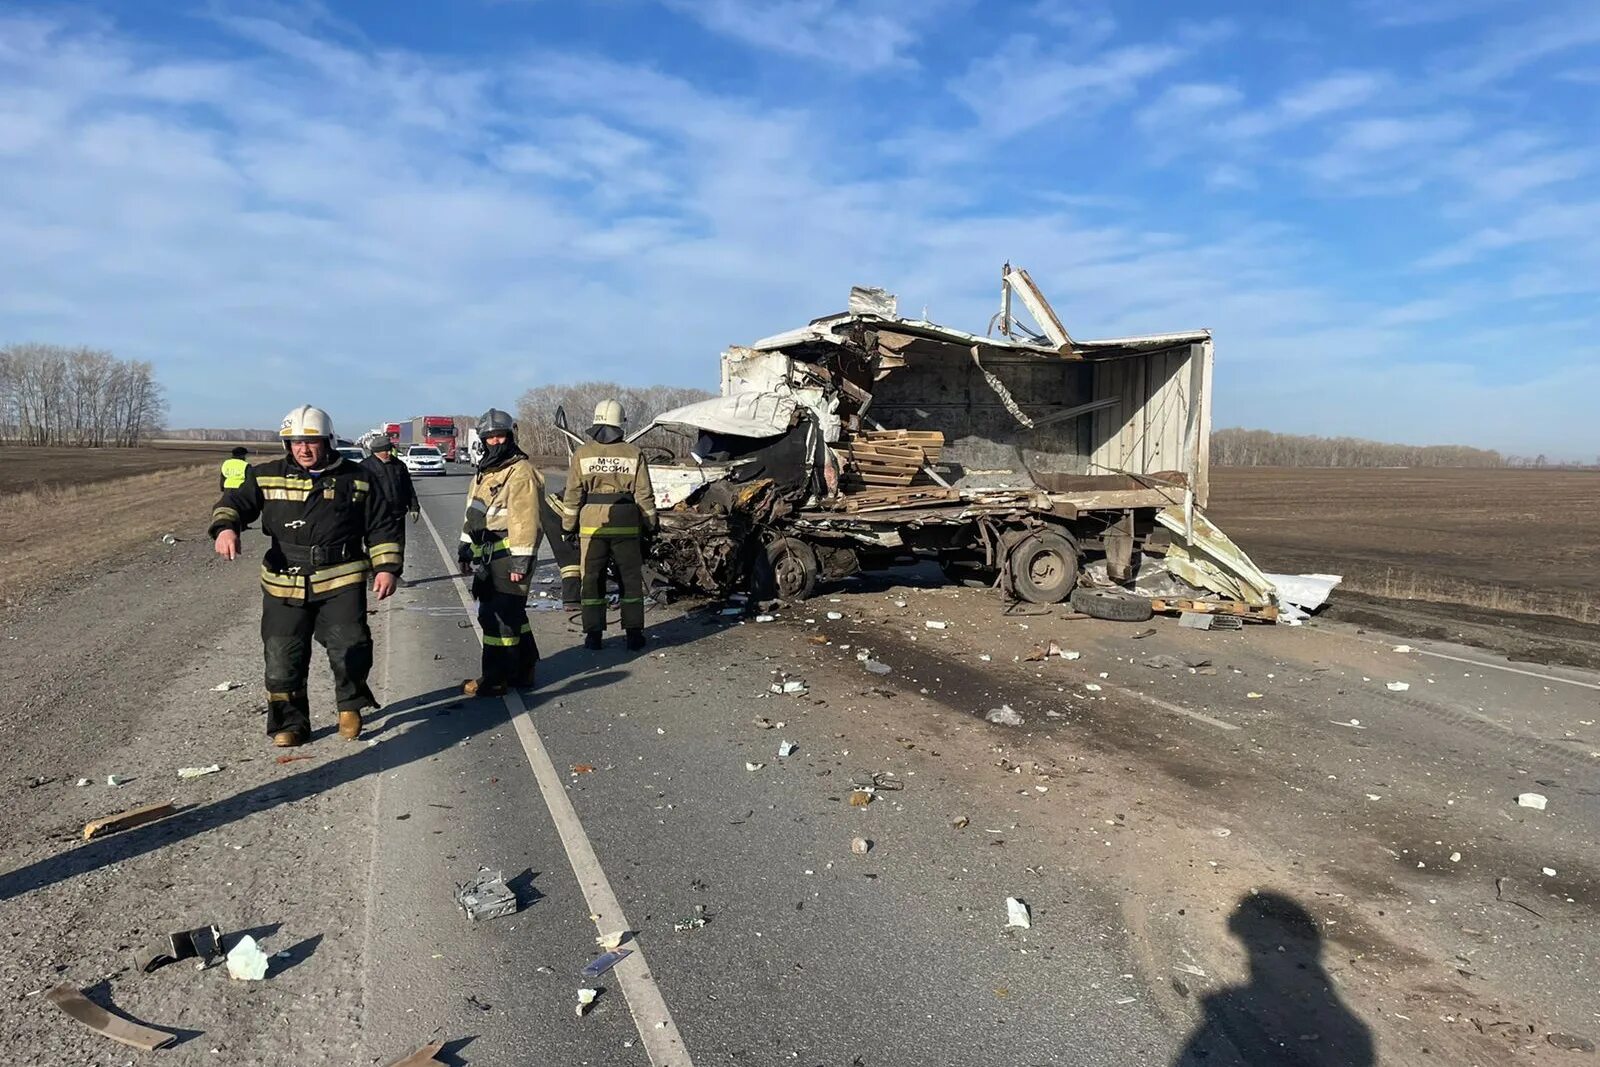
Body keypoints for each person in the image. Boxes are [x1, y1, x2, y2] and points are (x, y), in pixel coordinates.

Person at [209, 405, 402, 747]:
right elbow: (233, 503)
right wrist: (226, 528)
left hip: (341, 578)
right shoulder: (265, 475)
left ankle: (350, 706)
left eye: (311, 441)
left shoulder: (359, 478)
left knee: (350, 647)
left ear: (328, 441)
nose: (303, 449)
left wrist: (386, 567)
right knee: (283, 655)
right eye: (296, 441)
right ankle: (290, 723)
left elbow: (382, 525)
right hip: (284, 580)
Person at [458, 408, 543, 696]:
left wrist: (520, 562)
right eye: (490, 437)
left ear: (510, 436)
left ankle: (495, 678)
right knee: (512, 615)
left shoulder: (520, 472)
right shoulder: (486, 471)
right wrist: (465, 546)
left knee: (497, 619)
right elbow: (475, 514)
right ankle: (525, 666)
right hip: (489, 555)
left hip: (509, 557)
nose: (495, 442)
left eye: (500, 436)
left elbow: (525, 519)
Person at [562, 398, 656, 651]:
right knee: (630, 579)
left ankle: (594, 635)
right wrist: (650, 523)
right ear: (621, 423)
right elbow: (644, 494)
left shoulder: (582, 454)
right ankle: (634, 633)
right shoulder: (634, 453)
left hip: (592, 526)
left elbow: (573, 494)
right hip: (626, 523)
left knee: (592, 579)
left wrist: (568, 526)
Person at [360, 433, 419, 533]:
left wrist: (414, 507)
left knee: (398, 547)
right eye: (386, 451)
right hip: (376, 518)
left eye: (390, 450)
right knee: (380, 548)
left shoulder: (399, 465)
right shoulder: (365, 467)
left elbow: (408, 487)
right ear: (376, 452)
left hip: (398, 515)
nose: (389, 453)